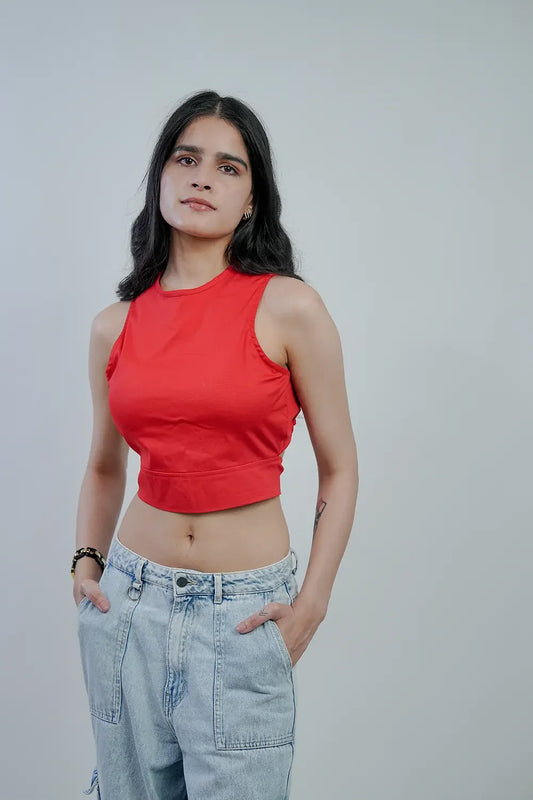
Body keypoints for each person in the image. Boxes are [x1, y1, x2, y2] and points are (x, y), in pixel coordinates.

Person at [72, 89, 359, 800]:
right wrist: (86, 566)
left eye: (229, 168)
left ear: (252, 200)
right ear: (160, 178)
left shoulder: (289, 306)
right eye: (186, 158)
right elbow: (105, 466)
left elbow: (340, 467)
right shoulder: (114, 325)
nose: (202, 177)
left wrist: (312, 602)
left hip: (241, 616)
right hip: (129, 607)